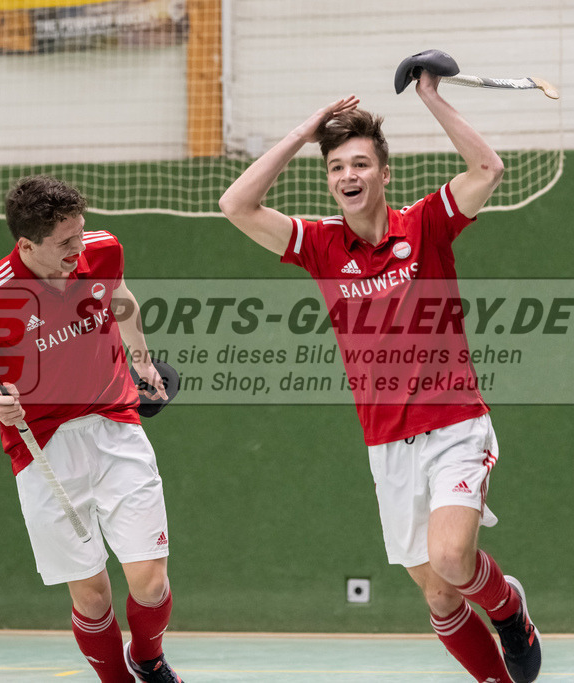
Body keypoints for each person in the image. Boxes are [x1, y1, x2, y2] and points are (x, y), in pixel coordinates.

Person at [218, 72, 542, 683]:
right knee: (440, 595)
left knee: (453, 558)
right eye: (337, 167)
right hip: (386, 441)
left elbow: (488, 169)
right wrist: (302, 133)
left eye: (361, 164)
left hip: (453, 422)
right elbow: (236, 205)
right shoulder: (319, 245)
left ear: (384, 174)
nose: (348, 175)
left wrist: (431, 98)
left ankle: (508, 609)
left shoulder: (424, 225)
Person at [0, 175, 184, 683]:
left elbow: (120, 295)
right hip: (42, 450)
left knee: (150, 583)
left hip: (115, 425)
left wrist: (141, 359)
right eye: (65, 242)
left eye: (80, 232)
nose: (78, 248)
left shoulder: (101, 250)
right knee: (93, 596)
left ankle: (147, 658)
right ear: (26, 245)